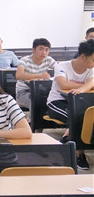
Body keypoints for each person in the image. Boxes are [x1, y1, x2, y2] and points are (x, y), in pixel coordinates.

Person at [46, 39, 94, 170]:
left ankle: (66, 138)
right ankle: (78, 154)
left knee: (84, 117)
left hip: (79, 104)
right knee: (76, 118)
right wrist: (85, 86)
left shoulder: (91, 69)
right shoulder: (62, 66)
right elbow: (63, 84)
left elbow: (91, 83)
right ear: (83, 56)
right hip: (57, 102)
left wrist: (82, 89)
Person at [15, 38, 57, 110]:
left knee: (53, 101)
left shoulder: (49, 60)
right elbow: (18, 75)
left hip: (41, 91)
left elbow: (60, 70)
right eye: (41, 49)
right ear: (33, 50)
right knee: (35, 103)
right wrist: (40, 75)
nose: (44, 52)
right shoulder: (24, 60)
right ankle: (33, 118)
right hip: (23, 92)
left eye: (46, 50)